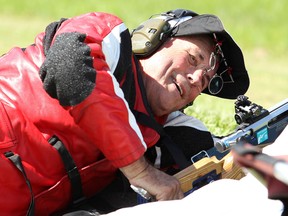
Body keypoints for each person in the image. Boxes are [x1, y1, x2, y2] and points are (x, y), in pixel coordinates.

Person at [0, 8, 249, 215]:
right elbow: (69, 71)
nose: (196, 78)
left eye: (205, 81)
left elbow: (225, 153)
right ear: (153, 38)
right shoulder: (109, 37)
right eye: (193, 59)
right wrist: (140, 171)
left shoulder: (166, 134)